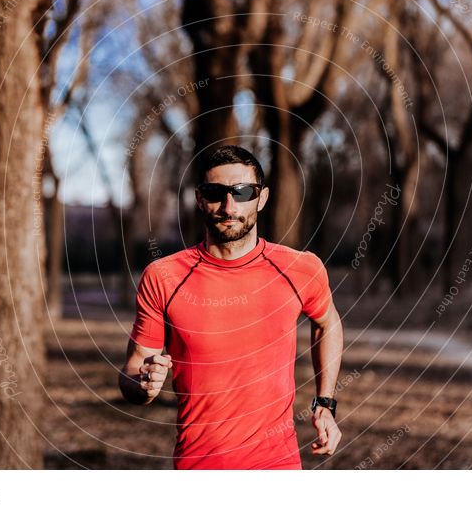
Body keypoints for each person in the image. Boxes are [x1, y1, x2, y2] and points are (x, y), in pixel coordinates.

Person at [119, 145, 344, 469]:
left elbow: (328, 323)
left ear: (262, 198)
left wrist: (325, 403)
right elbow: (133, 370)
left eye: (242, 192)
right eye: (215, 192)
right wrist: (142, 384)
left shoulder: (300, 268)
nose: (229, 205)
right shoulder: (164, 277)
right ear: (199, 198)